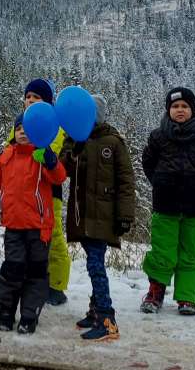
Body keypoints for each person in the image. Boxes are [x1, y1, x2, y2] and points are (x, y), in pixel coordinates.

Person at [0, 114, 67, 334]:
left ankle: (29, 314)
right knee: (12, 270)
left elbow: (59, 177)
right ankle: (6, 312)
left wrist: (51, 161)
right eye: (19, 129)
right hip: (13, 227)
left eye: (27, 128)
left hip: (39, 229)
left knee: (36, 273)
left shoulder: (42, 156)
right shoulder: (6, 156)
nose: (22, 132)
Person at [140, 87, 195, 316]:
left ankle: (187, 298)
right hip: (164, 206)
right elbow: (147, 162)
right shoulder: (158, 136)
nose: (180, 110)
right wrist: (159, 182)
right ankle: (155, 293)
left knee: (190, 253)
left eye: (184, 106)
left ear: (193, 110)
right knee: (162, 252)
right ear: (168, 110)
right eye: (175, 106)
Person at [60, 94, 136, 341]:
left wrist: (125, 215)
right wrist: (73, 152)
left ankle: (107, 319)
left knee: (95, 264)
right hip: (82, 214)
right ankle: (95, 312)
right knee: (95, 262)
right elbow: (63, 171)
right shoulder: (73, 140)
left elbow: (126, 181)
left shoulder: (113, 142)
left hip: (104, 216)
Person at [13, 79, 70, 306]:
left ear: (47, 101)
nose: (30, 101)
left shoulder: (55, 125)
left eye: (35, 97)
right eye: (28, 97)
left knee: (53, 235)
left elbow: (52, 154)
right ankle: (33, 279)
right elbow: (13, 149)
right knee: (30, 238)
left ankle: (56, 285)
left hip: (49, 190)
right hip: (25, 191)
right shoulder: (21, 122)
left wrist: (40, 152)